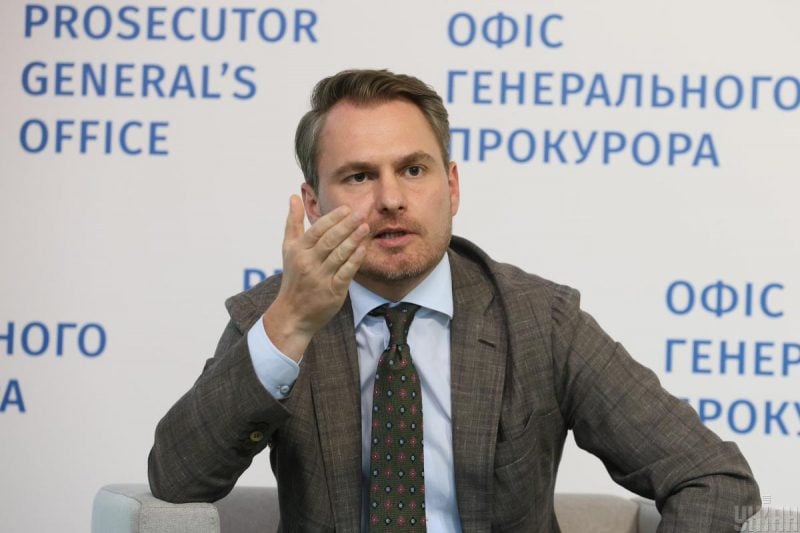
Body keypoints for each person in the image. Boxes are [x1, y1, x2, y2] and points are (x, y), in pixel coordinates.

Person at [148, 69, 759, 532]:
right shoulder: (276, 317)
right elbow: (176, 481)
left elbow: (711, 476)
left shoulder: (539, 320)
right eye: (359, 176)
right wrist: (289, 326)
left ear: (453, 185)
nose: (391, 199)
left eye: (414, 170)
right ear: (313, 204)